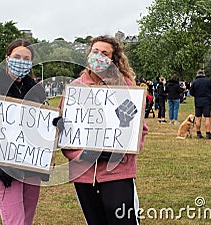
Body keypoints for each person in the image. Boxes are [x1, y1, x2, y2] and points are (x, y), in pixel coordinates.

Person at [60, 35, 148, 225]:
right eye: (95, 51)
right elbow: (65, 131)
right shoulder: (75, 88)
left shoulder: (125, 87)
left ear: (113, 60)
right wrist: (80, 154)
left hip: (117, 170)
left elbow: (140, 129)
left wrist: (122, 149)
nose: (99, 56)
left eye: (105, 53)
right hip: (83, 173)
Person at [0, 39, 48, 225]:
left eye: (26, 58)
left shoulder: (35, 89)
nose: (21, 61)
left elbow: (41, 123)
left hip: (31, 166)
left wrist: (53, 124)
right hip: (5, 166)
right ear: (7, 58)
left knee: (26, 219)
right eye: (17, 57)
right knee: (15, 221)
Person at [189, 70, 211, 139]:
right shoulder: (208, 81)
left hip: (198, 101)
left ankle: (198, 133)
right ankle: (208, 133)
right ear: (204, 74)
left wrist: (196, 95)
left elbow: (191, 92)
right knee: (207, 117)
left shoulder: (194, 82)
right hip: (206, 101)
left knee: (198, 117)